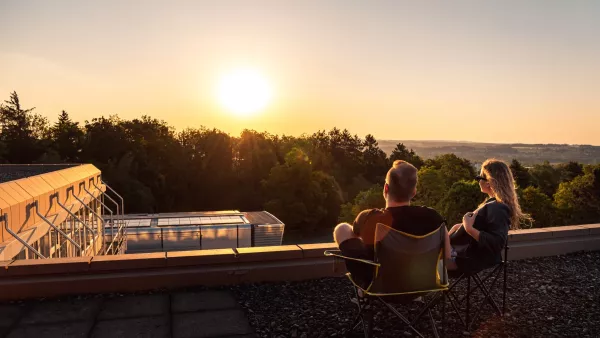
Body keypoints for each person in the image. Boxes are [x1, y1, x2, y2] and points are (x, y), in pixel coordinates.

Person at [333, 160, 453, 288]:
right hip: (421, 285)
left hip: (381, 287)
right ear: (413, 192)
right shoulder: (433, 217)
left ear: (385, 188)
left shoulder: (369, 217)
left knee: (342, 228)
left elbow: (355, 236)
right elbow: (447, 254)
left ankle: (363, 288)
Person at [448, 158, 529, 273]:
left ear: (488, 182)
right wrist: (460, 227)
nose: (478, 181)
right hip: (462, 253)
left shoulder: (498, 208)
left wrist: (469, 228)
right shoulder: (493, 204)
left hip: (463, 259)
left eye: (479, 177)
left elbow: (497, 243)